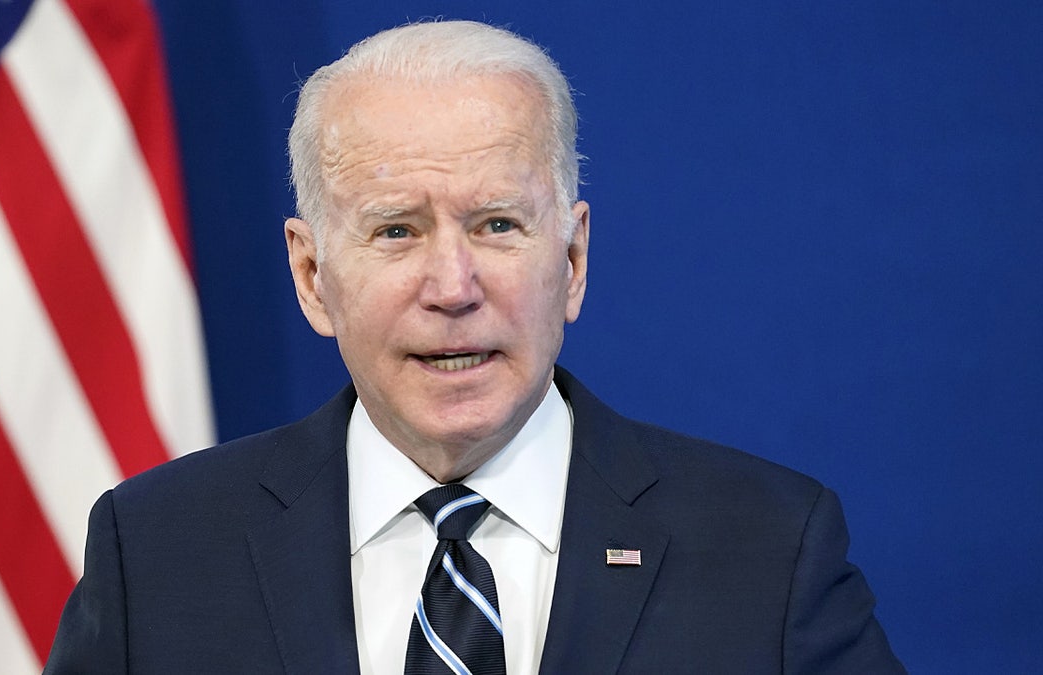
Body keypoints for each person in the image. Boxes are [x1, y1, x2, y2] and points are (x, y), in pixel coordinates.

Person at [46, 20, 904, 674]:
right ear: (312, 276)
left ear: (570, 260)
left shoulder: (769, 549)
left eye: (497, 224)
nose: (453, 285)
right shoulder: (156, 554)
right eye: (396, 230)